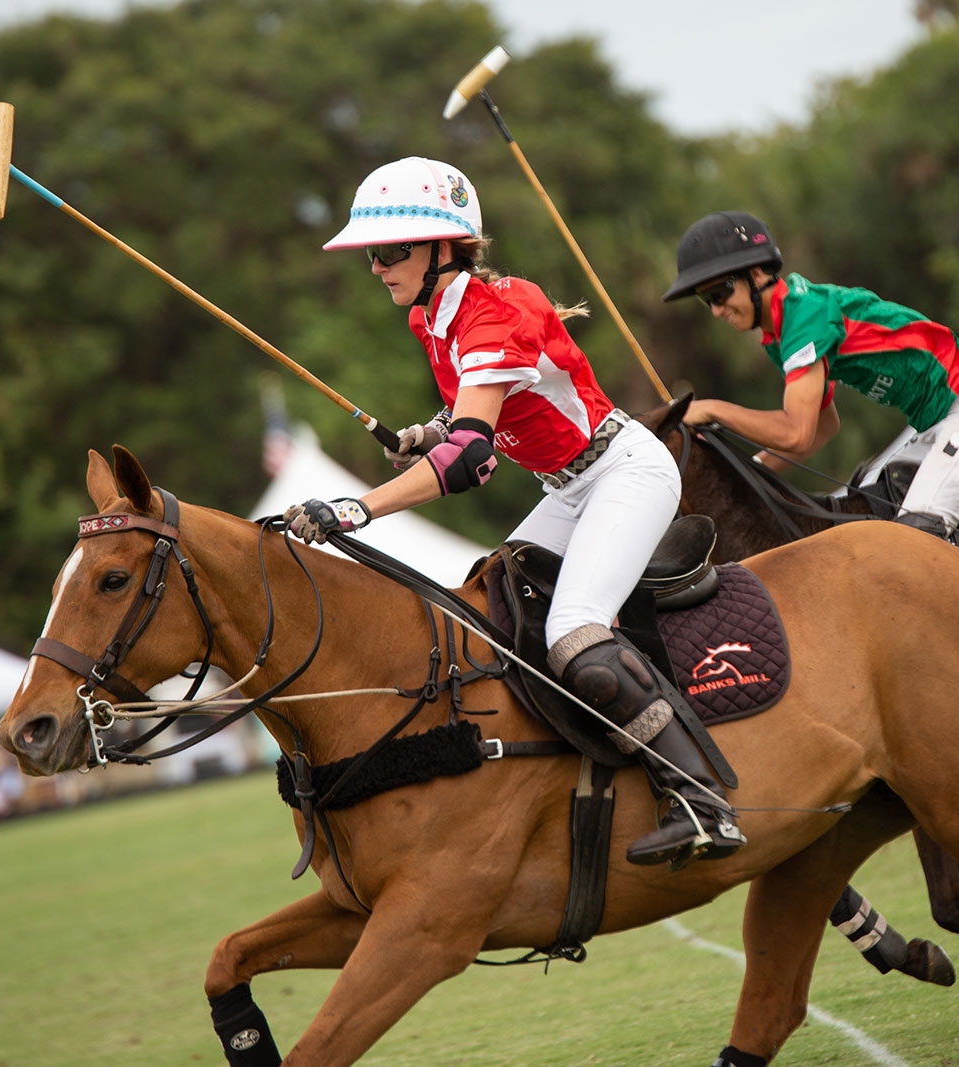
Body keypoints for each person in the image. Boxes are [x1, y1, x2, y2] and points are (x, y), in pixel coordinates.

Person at [283, 158, 744, 867]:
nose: (375, 267)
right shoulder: (429, 317)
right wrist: (432, 431)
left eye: (388, 251)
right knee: (490, 605)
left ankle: (702, 799)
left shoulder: (494, 311)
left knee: (571, 629)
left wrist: (357, 507)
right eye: (369, 254)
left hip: (624, 471)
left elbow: (471, 459)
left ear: (443, 247)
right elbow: (476, 414)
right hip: (564, 487)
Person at [663, 211, 959, 540]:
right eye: (705, 299)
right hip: (937, 422)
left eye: (720, 292)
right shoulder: (784, 330)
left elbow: (796, 431)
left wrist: (711, 410)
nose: (715, 310)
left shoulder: (803, 320)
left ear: (756, 274)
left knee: (913, 542)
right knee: (865, 526)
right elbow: (821, 428)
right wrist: (748, 472)